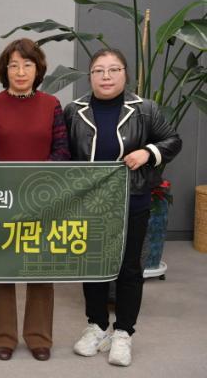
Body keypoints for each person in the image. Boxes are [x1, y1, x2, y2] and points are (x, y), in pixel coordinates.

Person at [65, 48, 181, 366]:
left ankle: (123, 332)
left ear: (125, 74)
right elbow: (64, 154)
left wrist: (148, 152)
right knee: (93, 266)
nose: (106, 76)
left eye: (113, 69)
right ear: (90, 76)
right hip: (90, 203)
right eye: (99, 70)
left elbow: (173, 140)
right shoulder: (74, 111)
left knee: (130, 267)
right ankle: (97, 326)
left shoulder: (145, 109)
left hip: (133, 199)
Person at [0, 38, 70, 362]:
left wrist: (36, 183)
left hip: (41, 198)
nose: (20, 71)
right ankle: (2, 337)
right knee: (1, 267)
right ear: (5, 70)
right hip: (0, 198)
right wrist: (6, 182)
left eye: (27, 65)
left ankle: (39, 337)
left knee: (40, 267)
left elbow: (62, 153)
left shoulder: (51, 105)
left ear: (37, 69)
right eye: (13, 65)